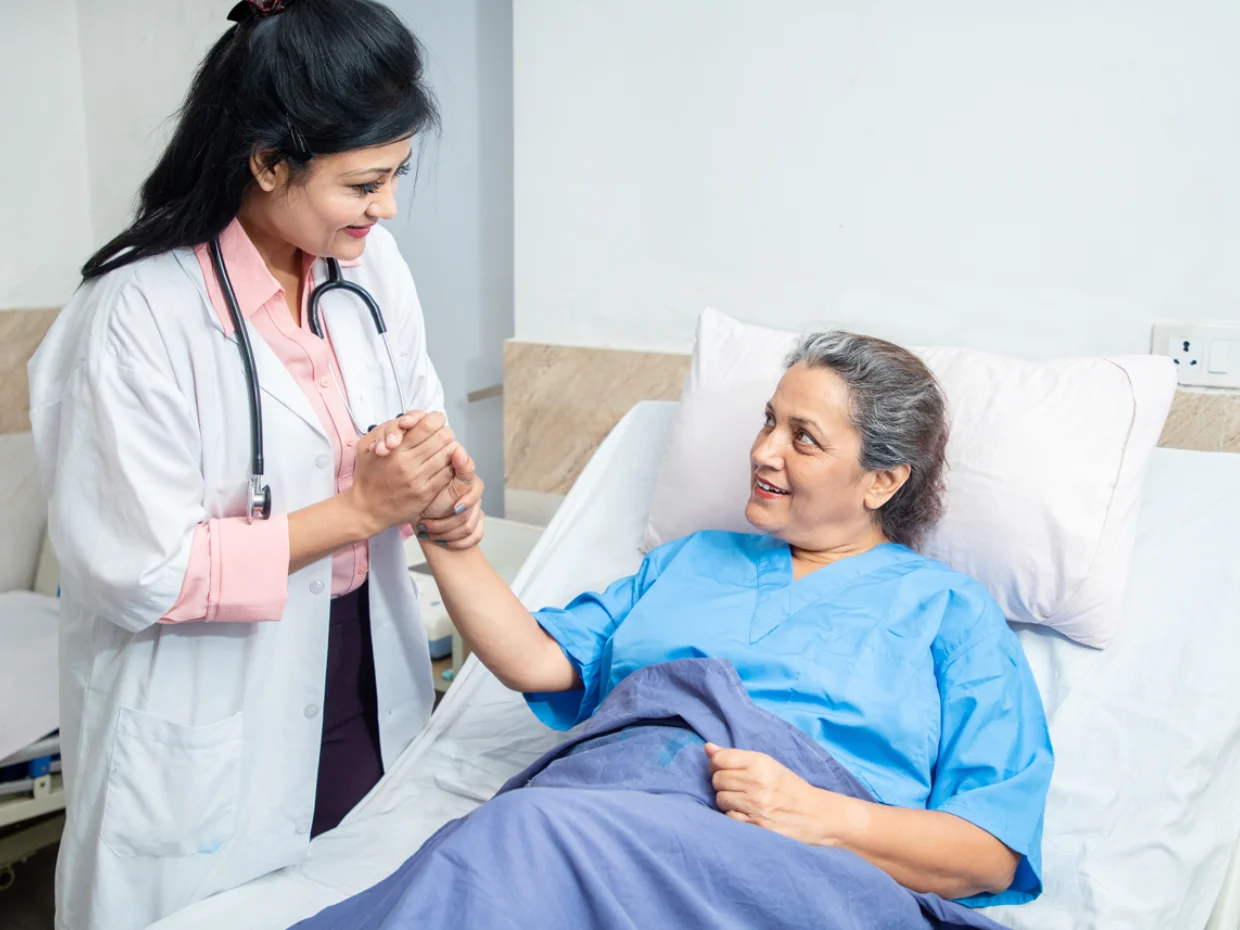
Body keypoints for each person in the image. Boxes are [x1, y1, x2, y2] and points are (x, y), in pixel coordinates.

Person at [346, 331, 1054, 927]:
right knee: (494, 853)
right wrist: (444, 532)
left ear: (881, 482)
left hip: (785, 868)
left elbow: (990, 850)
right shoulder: (691, 561)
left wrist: (820, 815)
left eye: (802, 438)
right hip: (608, 812)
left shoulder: (950, 613)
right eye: (768, 420)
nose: (765, 451)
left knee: (515, 838)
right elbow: (538, 660)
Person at [26, 2, 481, 928]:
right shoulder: (135, 313)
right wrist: (361, 509)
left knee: (362, 899)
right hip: (209, 706)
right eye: (363, 183)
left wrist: (442, 493)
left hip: (360, 672)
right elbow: (142, 572)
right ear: (268, 161)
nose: (385, 207)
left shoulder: (372, 271)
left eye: (396, 175)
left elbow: (412, 422)